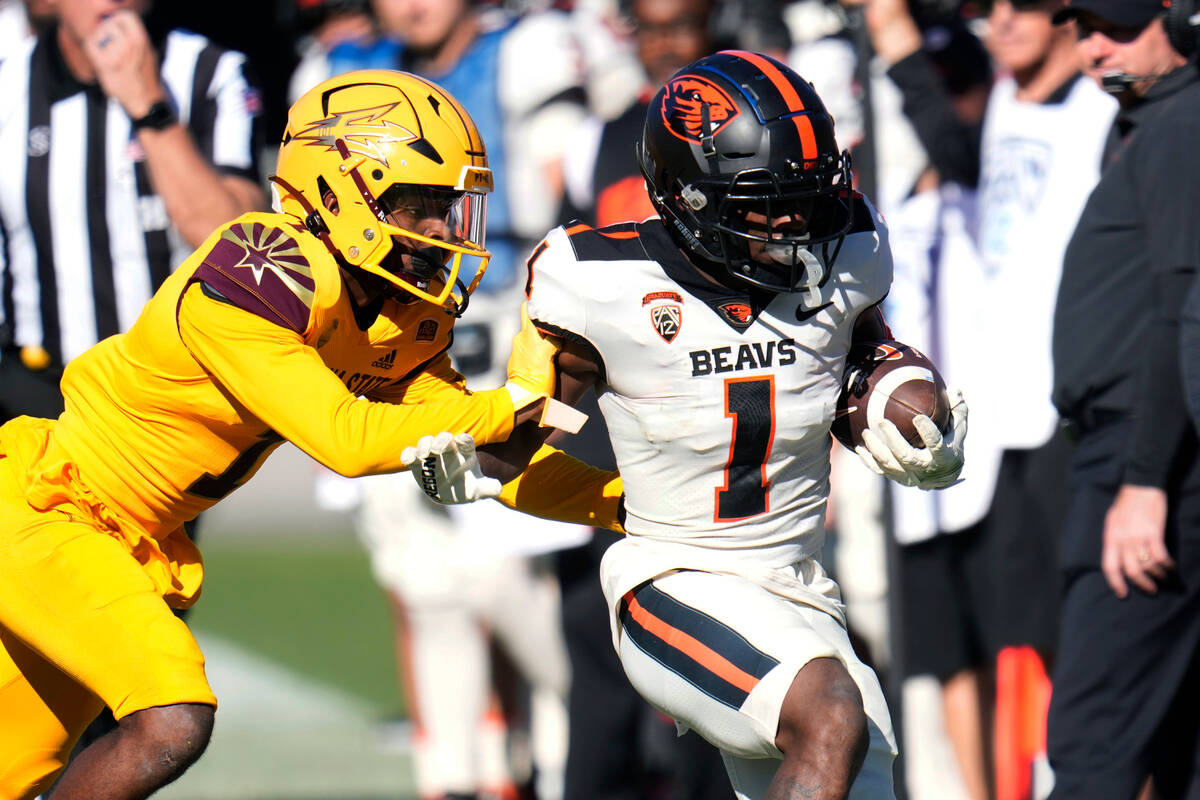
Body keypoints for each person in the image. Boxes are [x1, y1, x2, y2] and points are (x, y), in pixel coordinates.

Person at [0, 68, 623, 800]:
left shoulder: (396, 314)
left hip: (129, 542)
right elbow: (348, 439)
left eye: (446, 207)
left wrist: (630, 507)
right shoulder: (263, 263)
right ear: (337, 191)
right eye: (419, 204)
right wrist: (510, 403)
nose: (440, 229)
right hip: (53, 511)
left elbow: (496, 460)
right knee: (170, 719)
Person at [416, 51, 969, 800]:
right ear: (689, 197)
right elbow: (527, 425)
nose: (794, 223)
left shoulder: (845, 253)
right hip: (672, 578)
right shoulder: (600, 285)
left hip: (801, 589)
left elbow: (863, 361)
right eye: (765, 201)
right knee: (831, 717)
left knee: (852, 750)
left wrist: (911, 419)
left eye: (807, 196)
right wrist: (473, 457)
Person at [859, 0, 1116, 795]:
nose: (1002, 22)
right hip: (1011, 425)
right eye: (992, 8)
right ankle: (1050, 773)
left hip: (1075, 413)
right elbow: (936, 121)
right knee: (1029, 630)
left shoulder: (1103, 109)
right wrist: (889, 28)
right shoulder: (1005, 102)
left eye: (1025, 7)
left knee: (1094, 628)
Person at [1046, 0, 1200, 794]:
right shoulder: (1148, 123)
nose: (1095, 46)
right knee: (1173, 751)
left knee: (1092, 739)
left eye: (1118, 23)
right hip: (1139, 454)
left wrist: (1143, 482)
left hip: (1149, 462)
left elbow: (1188, 310)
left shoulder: (1179, 127)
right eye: (1083, 29)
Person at [0, 0, 266, 424]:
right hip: (37, 389)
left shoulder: (209, 72)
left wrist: (148, 104)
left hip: (173, 391)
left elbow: (237, 244)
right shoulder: (8, 83)